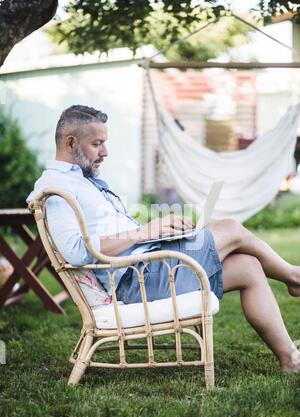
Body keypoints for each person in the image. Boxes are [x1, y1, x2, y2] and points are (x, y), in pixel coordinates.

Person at [27, 104, 300, 373]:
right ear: (71, 142)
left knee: (249, 267)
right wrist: (145, 232)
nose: (105, 152)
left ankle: (289, 359)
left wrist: (158, 231)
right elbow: (75, 251)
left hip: (151, 267)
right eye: (97, 143)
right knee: (230, 227)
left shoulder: (83, 181)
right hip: (137, 282)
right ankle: (293, 278)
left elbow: (113, 236)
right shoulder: (55, 187)